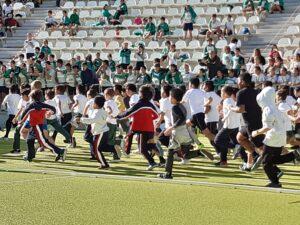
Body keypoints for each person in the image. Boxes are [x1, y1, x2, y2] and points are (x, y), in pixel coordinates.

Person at [252, 86, 299, 188]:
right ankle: (295, 154)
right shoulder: (275, 107)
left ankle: (275, 182)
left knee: (266, 162)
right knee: (273, 160)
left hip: (272, 138)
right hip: (280, 136)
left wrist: (256, 132)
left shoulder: (268, 109)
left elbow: (268, 127)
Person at [157, 88, 202, 179]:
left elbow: (181, 119)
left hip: (177, 133)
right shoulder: (182, 106)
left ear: (173, 98)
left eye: (170, 96)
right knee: (184, 154)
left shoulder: (175, 107)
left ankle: (167, 174)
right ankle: (198, 153)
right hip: (185, 131)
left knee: (170, 152)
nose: (169, 98)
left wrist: (171, 127)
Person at [117, 85, 162, 170]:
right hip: (150, 128)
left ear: (141, 94)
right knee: (151, 146)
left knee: (142, 149)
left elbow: (128, 113)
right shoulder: (150, 104)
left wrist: (118, 117)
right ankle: (162, 160)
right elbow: (156, 115)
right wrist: (148, 118)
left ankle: (152, 162)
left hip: (141, 128)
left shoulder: (139, 104)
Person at [19, 90, 67, 162]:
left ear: (32, 97)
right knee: (29, 140)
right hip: (35, 125)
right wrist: (50, 112)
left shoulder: (31, 105)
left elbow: (23, 114)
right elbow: (53, 109)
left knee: (44, 142)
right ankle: (30, 156)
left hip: (37, 125)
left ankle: (60, 151)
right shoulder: (42, 104)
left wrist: (21, 121)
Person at [230, 73, 264, 172]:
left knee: (260, 148)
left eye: (238, 80)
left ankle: (275, 168)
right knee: (240, 137)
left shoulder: (241, 93)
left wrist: (231, 108)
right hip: (257, 120)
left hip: (251, 123)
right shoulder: (256, 91)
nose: (237, 82)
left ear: (243, 82)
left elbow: (240, 109)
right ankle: (251, 162)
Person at [79, 95, 111, 169]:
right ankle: (115, 147)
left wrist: (81, 119)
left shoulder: (98, 112)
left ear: (96, 104)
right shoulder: (100, 111)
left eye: (93, 103)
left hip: (100, 133)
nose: (92, 105)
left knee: (95, 150)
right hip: (101, 132)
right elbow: (93, 120)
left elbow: (92, 120)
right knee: (101, 148)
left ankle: (104, 164)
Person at [183, 78, 215, 145]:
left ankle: (225, 143)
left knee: (207, 134)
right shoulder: (202, 91)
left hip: (197, 116)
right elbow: (211, 99)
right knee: (183, 127)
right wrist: (204, 105)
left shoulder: (189, 91)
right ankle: (190, 144)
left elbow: (182, 101)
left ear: (191, 84)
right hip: (198, 115)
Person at [214, 86, 240, 167]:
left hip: (229, 125)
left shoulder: (226, 100)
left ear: (225, 94)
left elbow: (230, 109)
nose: (221, 94)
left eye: (221, 92)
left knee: (217, 140)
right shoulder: (232, 100)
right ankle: (223, 161)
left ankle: (235, 146)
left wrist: (224, 117)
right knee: (224, 141)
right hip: (234, 125)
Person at [11, 84, 30, 153]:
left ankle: (18, 148)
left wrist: (21, 121)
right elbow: (21, 109)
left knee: (19, 131)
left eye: (22, 95)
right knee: (19, 131)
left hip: (29, 120)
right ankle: (17, 148)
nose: (21, 97)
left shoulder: (31, 102)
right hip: (24, 120)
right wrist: (15, 118)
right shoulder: (24, 100)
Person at [103, 88, 121, 161]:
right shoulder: (114, 102)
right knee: (111, 139)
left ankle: (116, 155)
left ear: (107, 95)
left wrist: (106, 116)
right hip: (114, 122)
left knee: (108, 139)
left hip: (109, 122)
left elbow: (109, 110)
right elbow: (117, 112)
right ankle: (115, 154)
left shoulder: (107, 103)